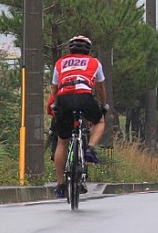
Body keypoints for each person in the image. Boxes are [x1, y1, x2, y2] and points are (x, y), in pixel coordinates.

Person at [50, 35, 108, 199]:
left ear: (70, 50)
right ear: (89, 51)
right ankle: (89, 148)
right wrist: (103, 105)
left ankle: (61, 184)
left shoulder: (60, 62)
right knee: (99, 121)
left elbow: (54, 88)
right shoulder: (94, 62)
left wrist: (56, 104)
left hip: (64, 99)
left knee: (62, 141)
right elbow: (101, 87)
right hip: (84, 97)